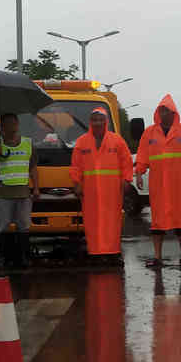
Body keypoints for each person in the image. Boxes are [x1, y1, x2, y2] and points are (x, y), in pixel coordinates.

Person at [135, 94, 181, 268]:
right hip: (158, 184)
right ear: (158, 112)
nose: (165, 114)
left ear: (174, 113)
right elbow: (142, 154)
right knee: (157, 220)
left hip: (179, 184)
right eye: (162, 110)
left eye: (168, 111)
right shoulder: (149, 132)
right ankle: (157, 257)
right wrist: (139, 173)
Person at [70, 107, 132, 264]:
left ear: (106, 122)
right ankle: (96, 252)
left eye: (100, 119)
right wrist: (76, 183)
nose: (97, 123)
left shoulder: (117, 140)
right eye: (94, 120)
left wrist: (126, 179)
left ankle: (112, 253)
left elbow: (126, 162)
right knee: (92, 221)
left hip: (112, 189)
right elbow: (76, 165)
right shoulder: (82, 141)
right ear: (90, 122)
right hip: (89, 189)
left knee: (112, 220)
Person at [0, 112, 39, 269]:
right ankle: (5, 259)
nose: (12, 127)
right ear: (1, 127)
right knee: (2, 227)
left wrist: (36, 188)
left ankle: (23, 259)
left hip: (23, 194)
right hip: (3, 194)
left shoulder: (27, 143)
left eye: (14, 123)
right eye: (7, 124)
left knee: (24, 226)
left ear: (17, 124)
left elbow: (33, 168)